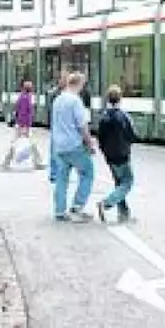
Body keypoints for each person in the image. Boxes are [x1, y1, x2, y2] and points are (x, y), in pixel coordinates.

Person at [50, 72, 96, 221]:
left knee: (61, 179)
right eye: (83, 84)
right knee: (87, 173)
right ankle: (77, 207)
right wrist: (89, 143)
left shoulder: (57, 100)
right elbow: (82, 125)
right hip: (74, 145)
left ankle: (59, 211)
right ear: (79, 84)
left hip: (59, 146)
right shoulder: (75, 101)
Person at [95, 85, 138, 223]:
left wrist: (105, 151)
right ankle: (106, 203)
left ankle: (124, 213)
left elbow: (100, 138)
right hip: (122, 155)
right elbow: (132, 136)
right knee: (127, 182)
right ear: (120, 99)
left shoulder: (104, 117)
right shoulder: (124, 116)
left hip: (110, 157)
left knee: (119, 183)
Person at [0, 80, 45, 170]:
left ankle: (6, 163)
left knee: (27, 143)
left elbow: (18, 111)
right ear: (30, 89)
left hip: (20, 124)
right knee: (27, 143)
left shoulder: (23, 96)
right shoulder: (26, 98)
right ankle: (6, 163)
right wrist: (25, 126)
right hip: (23, 125)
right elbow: (24, 113)